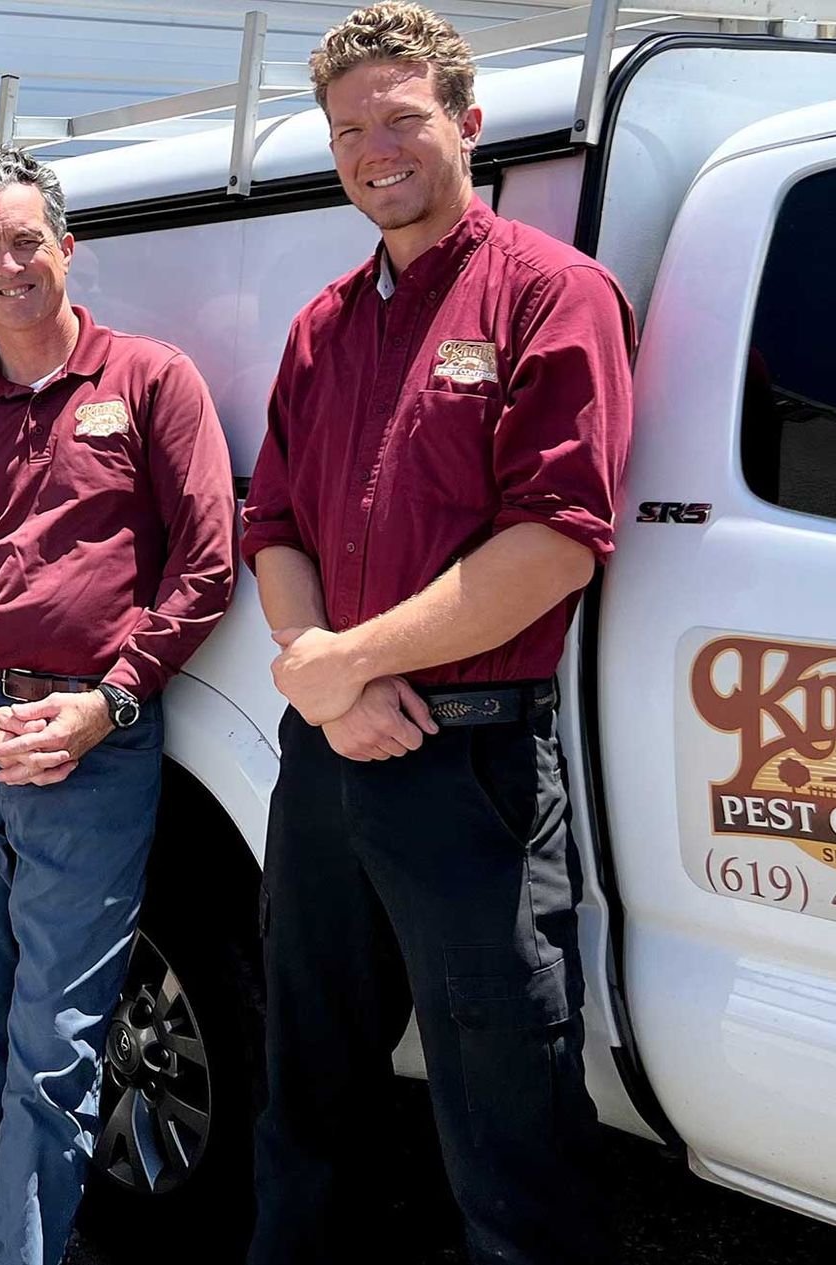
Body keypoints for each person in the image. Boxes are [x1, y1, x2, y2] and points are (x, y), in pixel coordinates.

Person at [239, 5, 636, 1262]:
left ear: (466, 124)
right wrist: (320, 683)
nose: (375, 148)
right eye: (349, 127)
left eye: (401, 118)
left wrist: (352, 660)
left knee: (508, 1112)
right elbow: (278, 523)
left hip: (474, 771)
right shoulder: (324, 323)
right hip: (328, 761)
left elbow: (556, 540)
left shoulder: (551, 295)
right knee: (305, 1085)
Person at [0, 147, 235, 1265]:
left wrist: (110, 704)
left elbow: (207, 566)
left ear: (67, 248)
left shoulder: (152, 382)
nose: (9, 263)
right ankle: (21, 1234)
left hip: (90, 746)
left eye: (26, 239)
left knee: (56, 1035)